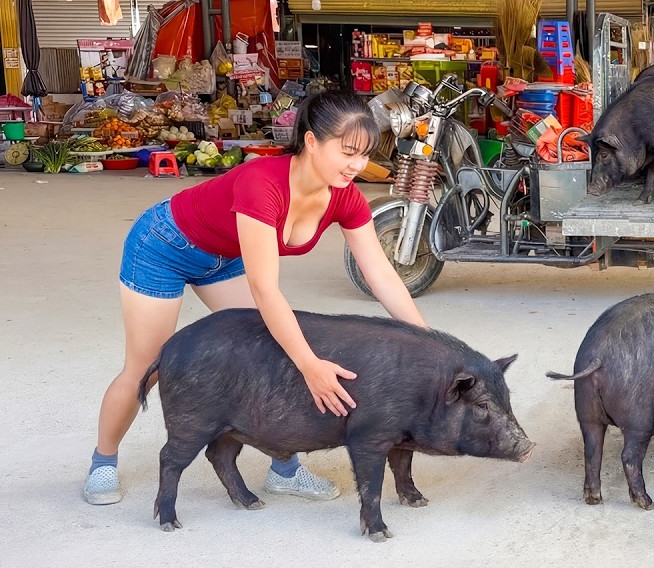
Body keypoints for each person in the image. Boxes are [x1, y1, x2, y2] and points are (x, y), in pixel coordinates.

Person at [84, 90, 429, 505]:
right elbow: (266, 290)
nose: (358, 166)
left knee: (278, 356)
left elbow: (382, 276)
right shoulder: (261, 183)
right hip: (163, 245)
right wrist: (309, 364)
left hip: (225, 257)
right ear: (312, 141)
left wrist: (426, 343)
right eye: (348, 152)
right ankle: (103, 462)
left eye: (365, 155)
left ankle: (284, 468)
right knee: (147, 367)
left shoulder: (345, 197)